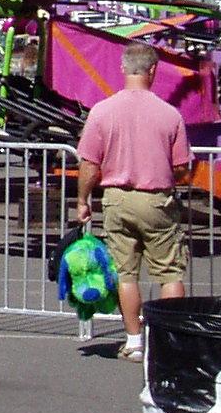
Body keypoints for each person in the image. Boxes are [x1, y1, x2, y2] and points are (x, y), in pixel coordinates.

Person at [75, 42, 193, 363]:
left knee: (126, 274)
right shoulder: (170, 115)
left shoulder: (102, 111)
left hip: (116, 199)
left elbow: (89, 165)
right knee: (169, 273)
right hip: (156, 199)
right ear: (153, 70)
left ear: (123, 69)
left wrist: (83, 200)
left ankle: (134, 342)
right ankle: (169, 341)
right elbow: (182, 167)